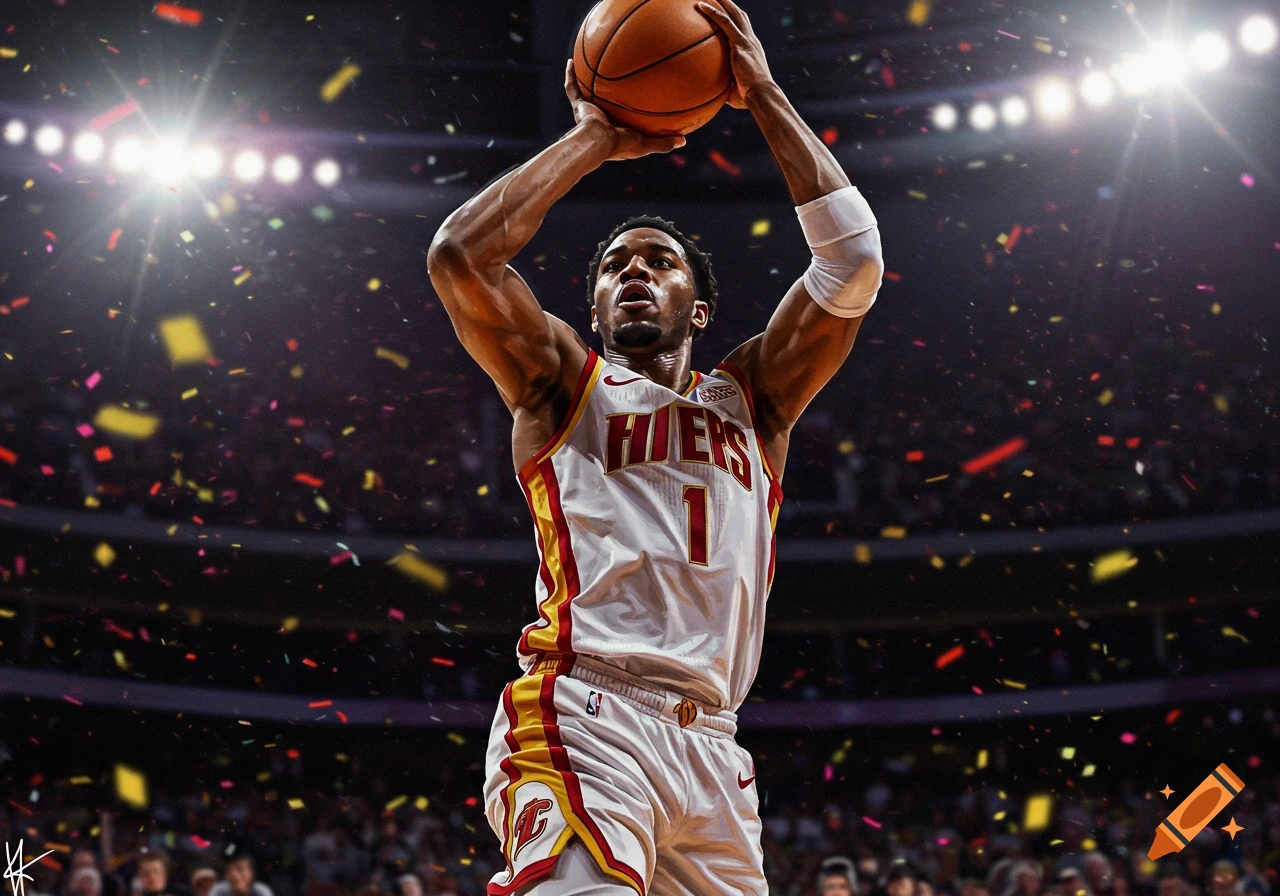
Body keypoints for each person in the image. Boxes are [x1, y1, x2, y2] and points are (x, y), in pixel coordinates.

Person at [427, 0, 883, 892]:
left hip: (714, 746)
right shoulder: (563, 381)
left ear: (699, 310)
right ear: (593, 311)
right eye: (614, 267)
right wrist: (595, 136)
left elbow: (854, 263)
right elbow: (461, 259)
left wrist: (764, 94)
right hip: (586, 712)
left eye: (658, 261)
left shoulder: (758, 401)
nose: (634, 270)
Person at [208, 855, 272, 896]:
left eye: (240, 869)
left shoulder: (260, 891)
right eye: (228, 871)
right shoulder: (219, 890)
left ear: (251, 873)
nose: (234, 875)